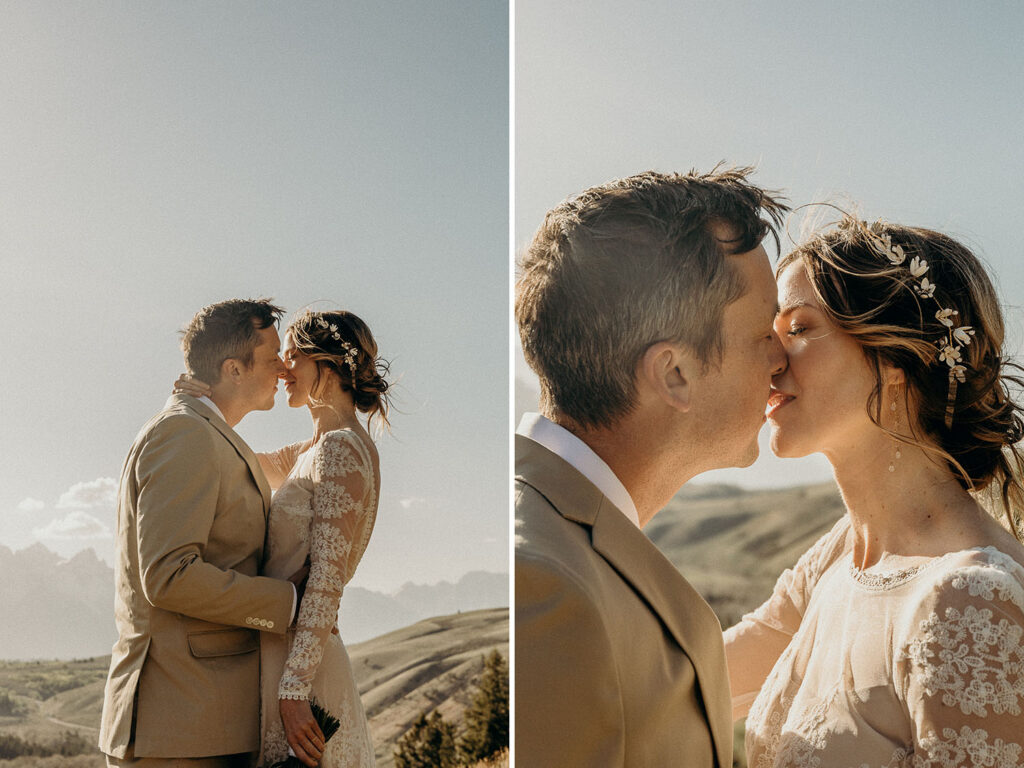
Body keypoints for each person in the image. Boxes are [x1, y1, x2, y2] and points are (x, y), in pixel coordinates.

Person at [725, 215, 1024, 767]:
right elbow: (689, 687)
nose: (769, 361)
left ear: (894, 361)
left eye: (798, 330)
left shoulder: (968, 600)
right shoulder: (840, 556)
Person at [515, 167, 789, 766]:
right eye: (762, 333)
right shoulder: (542, 583)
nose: (781, 359)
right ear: (675, 374)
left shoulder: (566, 538)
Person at [177, 308, 389, 768]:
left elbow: (327, 583)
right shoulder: (311, 450)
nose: (281, 369)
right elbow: (231, 457)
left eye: (291, 357)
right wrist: (198, 402)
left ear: (327, 363)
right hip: (280, 658)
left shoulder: (341, 450)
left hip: (304, 676)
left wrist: (294, 691)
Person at [99, 298, 304, 767]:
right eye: (273, 355)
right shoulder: (185, 433)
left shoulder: (203, 430)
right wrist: (288, 604)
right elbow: (169, 574)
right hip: (179, 723)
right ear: (234, 368)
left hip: (201, 718)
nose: (282, 367)